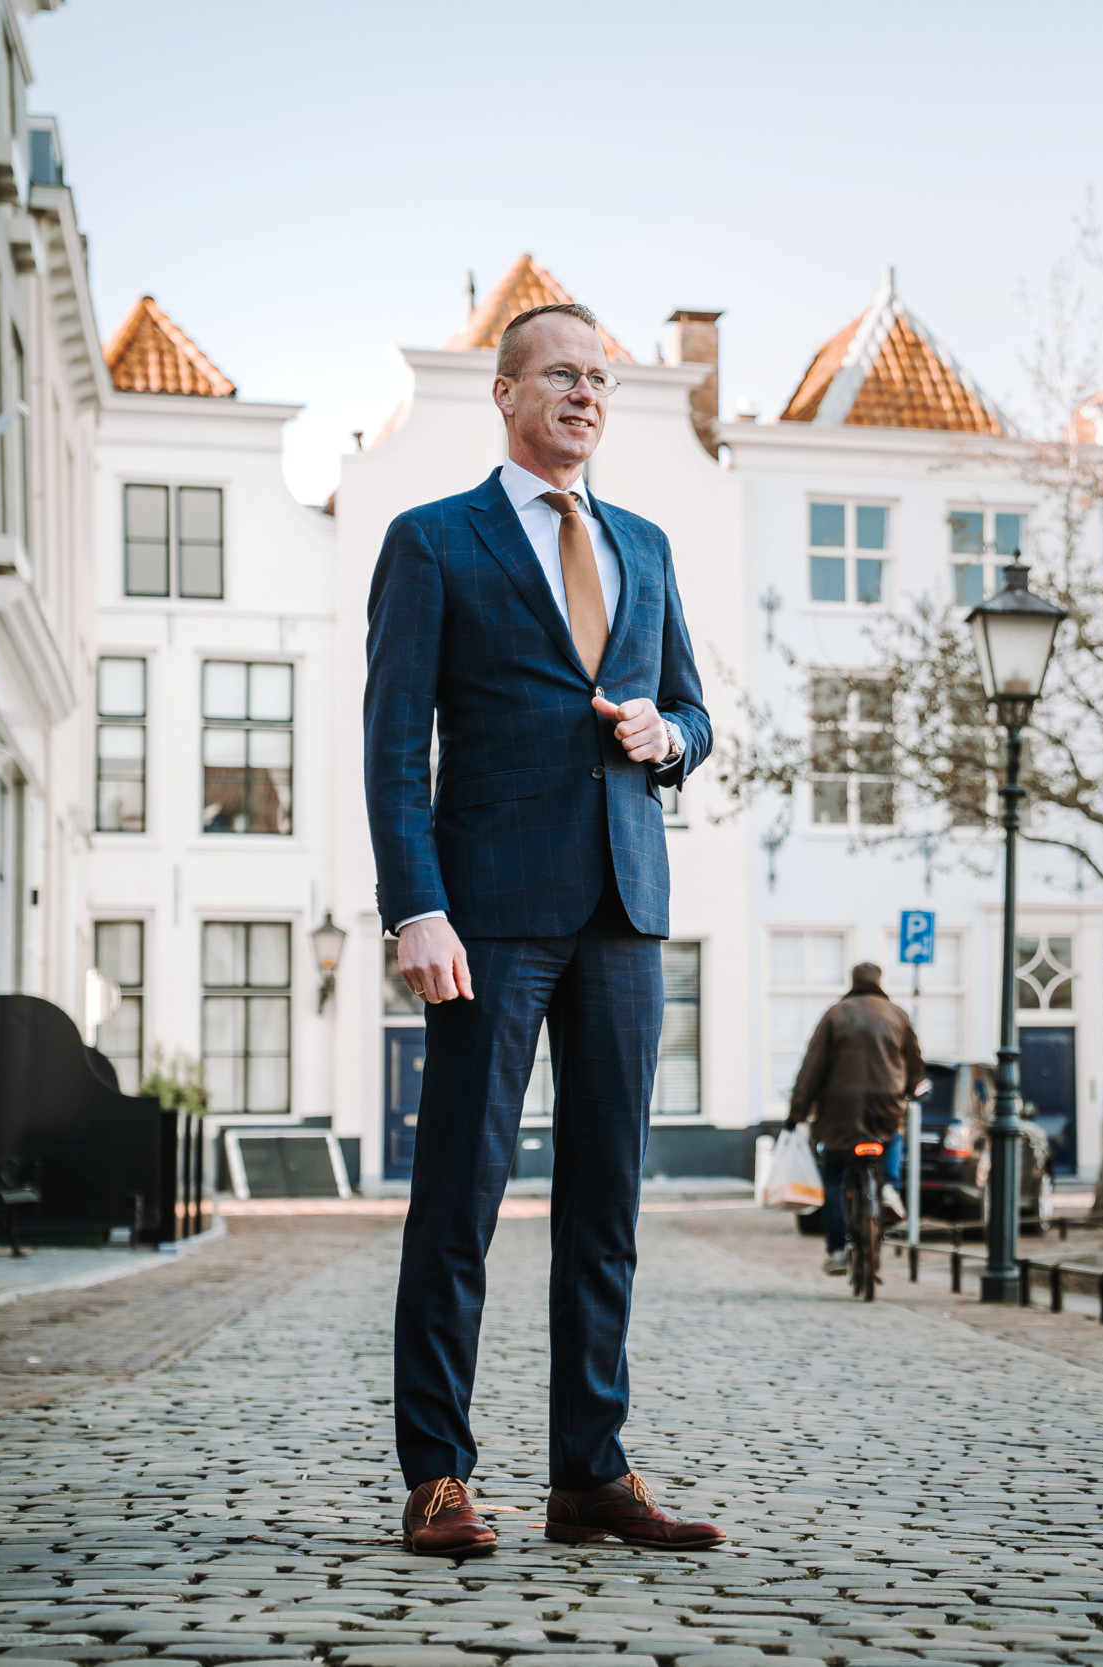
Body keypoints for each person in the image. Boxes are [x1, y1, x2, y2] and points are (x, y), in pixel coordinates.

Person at [366, 300, 726, 1557]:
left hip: (626, 906)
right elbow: (393, 746)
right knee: (458, 1197)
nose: (584, 394)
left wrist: (669, 736)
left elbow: (692, 707)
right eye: (562, 374)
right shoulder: (432, 539)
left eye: (600, 380)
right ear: (507, 393)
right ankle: (437, 1474)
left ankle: (590, 1472)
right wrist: (416, 906)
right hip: (487, 915)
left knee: (605, 1201)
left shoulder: (646, 544)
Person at [783, 963, 924, 1274]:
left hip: (839, 1112)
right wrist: (910, 1091)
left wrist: (797, 1113)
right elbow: (915, 1061)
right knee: (893, 1136)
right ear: (879, 982)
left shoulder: (835, 1015)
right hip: (885, 1105)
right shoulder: (897, 1015)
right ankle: (888, 1188)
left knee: (834, 1179)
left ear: (853, 981)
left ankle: (836, 1250)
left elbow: (812, 1067)